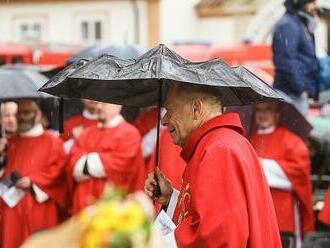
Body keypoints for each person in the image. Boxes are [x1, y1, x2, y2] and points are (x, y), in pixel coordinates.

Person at [144, 83, 281, 247]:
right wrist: (170, 198)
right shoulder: (219, 143)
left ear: (196, 108)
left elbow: (217, 234)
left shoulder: (219, 149)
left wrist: (154, 243)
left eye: (170, 110)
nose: (164, 120)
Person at [0, 99, 67, 248]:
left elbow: (59, 171)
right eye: (19, 113)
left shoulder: (53, 142)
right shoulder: (11, 142)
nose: (22, 117)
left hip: (39, 205)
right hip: (11, 207)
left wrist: (33, 181)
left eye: (27, 112)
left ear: (38, 115)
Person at [249, 102, 314, 247]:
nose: (263, 114)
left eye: (268, 110)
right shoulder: (248, 140)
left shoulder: (292, 141)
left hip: (283, 210)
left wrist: (260, 166)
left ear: (277, 114)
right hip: (256, 208)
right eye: (259, 110)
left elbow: (299, 174)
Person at [68, 102, 146, 214]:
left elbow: (120, 165)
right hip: (83, 206)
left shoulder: (130, 133)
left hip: (114, 207)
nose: (98, 107)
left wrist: (87, 160)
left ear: (118, 104)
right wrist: (101, 161)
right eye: (98, 103)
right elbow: (73, 164)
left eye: (104, 103)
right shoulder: (87, 133)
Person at [272, 0, 320, 115]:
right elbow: (286, 61)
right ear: (300, 3)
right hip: (292, 95)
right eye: (311, 2)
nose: (315, 6)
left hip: (297, 93)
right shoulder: (288, 25)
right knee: (294, 132)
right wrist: (301, 89)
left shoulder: (298, 23)